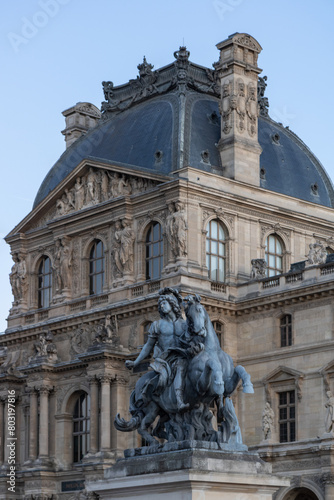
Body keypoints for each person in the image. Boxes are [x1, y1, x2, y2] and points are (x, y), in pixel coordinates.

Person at [125, 289, 190, 411]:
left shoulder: (184, 324)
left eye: (164, 303)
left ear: (172, 304)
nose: (161, 306)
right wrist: (135, 362)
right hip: (165, 360)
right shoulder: (157, 325)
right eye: (160, 304)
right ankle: (179, 400)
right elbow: (148, 346)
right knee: (180, 366)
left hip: (182, 356)